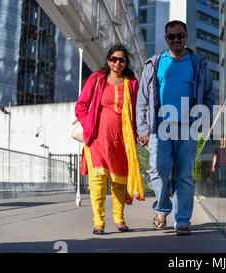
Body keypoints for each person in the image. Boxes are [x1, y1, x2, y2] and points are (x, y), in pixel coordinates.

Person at [137, 20, 214, 235]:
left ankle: (182, 220)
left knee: (185, 175)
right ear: (166, 39)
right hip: (159, 127)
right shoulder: (154, 63)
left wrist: (202, 120)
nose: (176, 40)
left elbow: (208, 95)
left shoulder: (198, 63)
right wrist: (142, 128)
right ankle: (162, 208)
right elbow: (142, 99)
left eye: (180, 35)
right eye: (172, 37)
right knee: (158, 170)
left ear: (186, 37)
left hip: (188, 127)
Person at [75, 44, 145, 234]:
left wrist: (142, 132)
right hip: (97, 139)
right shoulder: (97, 79)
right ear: (108, 60)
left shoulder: (132, 84)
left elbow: (139, 111)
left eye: (121, 59)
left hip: (122, 141)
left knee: (119, 182)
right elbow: (81, 105)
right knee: (97, 181)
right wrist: (87, 123)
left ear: (126, 62)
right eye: (114, 59)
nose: (117, 62)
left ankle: (120, 220)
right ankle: (98, 222)